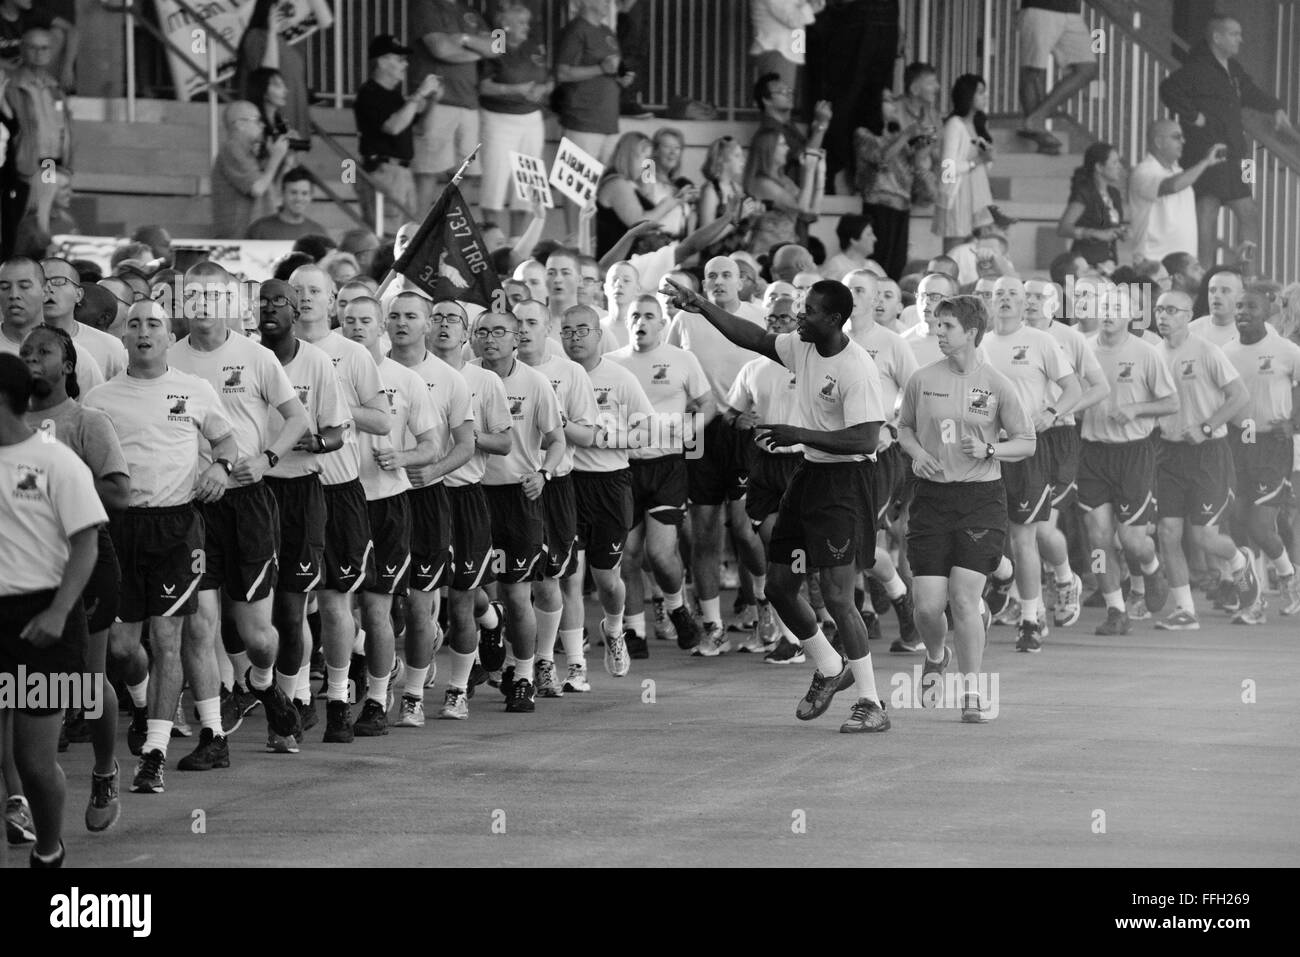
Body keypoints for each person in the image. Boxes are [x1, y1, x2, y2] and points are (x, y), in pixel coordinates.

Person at [665, 275, 891, 732]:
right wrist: (702, 306)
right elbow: (755, 337)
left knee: (836, 596)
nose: (799, 316)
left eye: (808, 310)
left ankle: (871, 702)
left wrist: (798, 433)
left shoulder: (856, 367)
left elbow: (866, 438)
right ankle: (830, 668)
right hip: (810, 475)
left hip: (846, 482)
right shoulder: (802, 345)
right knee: (779, 587)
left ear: (833, 319)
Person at [82, 301, 237, 794]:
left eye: (154, 324)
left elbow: (228, 443)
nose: (144, 332)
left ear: (169, 337)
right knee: (125, 647)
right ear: (121, 337)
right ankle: (145, 702)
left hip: (177, 527)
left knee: (169, 640)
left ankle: (154, 754)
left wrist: (220, 467)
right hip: (119, 527)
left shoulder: (195, 390)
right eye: (135, 325)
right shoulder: (100, 398)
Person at [168, 263, 311, 764]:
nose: (203, 302)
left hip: (248, 503)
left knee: (257, 637)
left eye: (214, 294)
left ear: (230, 301)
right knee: (200, 626)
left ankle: (263, 682)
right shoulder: (169, 360)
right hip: (191, 509)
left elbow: (299, 418)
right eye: (194, 293)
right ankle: (214, 737)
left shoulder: (254, 356)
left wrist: (266, 458)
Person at [896, 294, 1036, 721]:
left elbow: (1026, 442)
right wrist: (917, 452)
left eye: (947, 327)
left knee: (962, 599)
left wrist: (991, 447)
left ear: (972, 332)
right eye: (936, 325)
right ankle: (937, 656)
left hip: (980, 499)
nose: (938, 333)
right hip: (932, 498)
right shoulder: (922, 378)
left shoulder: (995, 383)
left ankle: (973, 691)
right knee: (926, 606)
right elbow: (903, 428)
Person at [0, 351, 105, 867]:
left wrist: (60, 612)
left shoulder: (55, 461)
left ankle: (48, 849)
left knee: (34, 760)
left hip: (44, 619)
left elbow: (86, 543)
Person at [19, 326, 126, 836]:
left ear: (68, 365)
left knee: (86, 680)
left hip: (85, 553)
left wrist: (63, 478)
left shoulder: (87, 421)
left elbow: (120, 494)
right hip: (22, 561)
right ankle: (18, 797)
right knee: (13, 682)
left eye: (44, 351)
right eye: (25, 352)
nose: (32, 359)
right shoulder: (9, 424)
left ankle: (105, 772)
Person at [253, 279, 349, 752]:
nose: (271, 309)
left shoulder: (317, 362)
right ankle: (258, 687)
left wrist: (315, 440)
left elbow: (337, 431)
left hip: (303, 493)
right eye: (264, 301)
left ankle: (283, 711)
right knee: (247, 613)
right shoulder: (248, 357)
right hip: (252, 492)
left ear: (297, 313)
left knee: (290, 612)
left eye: (281, 303)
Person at [981, 276, 1085, 652]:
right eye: (999, 294)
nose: (1006, 299)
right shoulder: (981, 343)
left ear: (1025, 303)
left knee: (1025, 535)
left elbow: (1074, 389)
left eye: (1013, 294)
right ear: (990, 302)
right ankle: (1002, 584)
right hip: (988, 450)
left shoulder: (1042, 341)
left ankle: (1029, 620)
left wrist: (1052, 412)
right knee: (987, 534)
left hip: (1028, 449)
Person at [385, 291, 475, 726]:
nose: (402, 323)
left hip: (426, 499)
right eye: (395, 316)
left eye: (411, 316)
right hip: (376, 499)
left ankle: (414, 695)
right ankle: (375, 679)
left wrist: (434, 468)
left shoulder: (450, 378)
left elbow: (467, 445)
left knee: (420, 605)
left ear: (427, 325)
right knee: (376, 605)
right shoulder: (369, 371)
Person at [669, 256, 767, 650]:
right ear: (704, 283)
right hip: (702, 432)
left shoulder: (757, 316)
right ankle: (711, 624)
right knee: (704, 530)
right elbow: (672, 369)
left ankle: (765, 610)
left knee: (745, 529)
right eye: (712, 276)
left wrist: (758, 413)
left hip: (745, 432)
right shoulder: (685, 321)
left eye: (726, 275)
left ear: (741, 281)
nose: (719, 281)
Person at [472, 306, 566, 713]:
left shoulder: (536, 383)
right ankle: (489, 624)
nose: (490, 338)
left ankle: (522, 677)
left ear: (516, 339)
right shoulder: (464, 377)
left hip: (517, 497)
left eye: (500, 332)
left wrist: (543, 473)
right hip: (469, 494)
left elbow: (557, 440)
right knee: (463, 587)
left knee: (517, 594)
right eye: (483, 331)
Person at [607, 294, 710, 652]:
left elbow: (706, 404)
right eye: (636, 315)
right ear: (628, 320)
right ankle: (634, 631)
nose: (642, 321)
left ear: (663, 323)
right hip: (623, 468)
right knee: (628, 554)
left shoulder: (682, 359)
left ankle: (677, 606)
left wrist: (691, 429)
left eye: (650, 315)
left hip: (667, 466)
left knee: (661, 553)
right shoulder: (612, 363)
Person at [515, 299, 607, 690]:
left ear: (546, 328)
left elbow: (588, 435)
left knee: (559, 578)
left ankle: (570, 663)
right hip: (506, 487)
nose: (522, 329)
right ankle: (515, 664)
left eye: (531, 322)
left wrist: (555, 422)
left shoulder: (567, 372)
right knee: (513, 583)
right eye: (515, 322)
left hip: (555, 484)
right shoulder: (487, 370)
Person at [1077, 285, 1178, 636]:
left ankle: (1151, 567)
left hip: (1134, 452)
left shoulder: (1146, 353)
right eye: (1104, 305)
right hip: (1092, 452)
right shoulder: (1083, 350)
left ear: (1132, 314)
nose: (1108, 312)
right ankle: (1115, 609)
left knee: (1132, 540)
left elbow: (1171, 403)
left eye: (1117, 306)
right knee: (1099, 537)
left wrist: (1135, 409)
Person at [427, 300, 512, 717]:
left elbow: (504, 442)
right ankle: (491, 617)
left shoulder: (483, 380)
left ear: (466, 336)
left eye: (454, 320)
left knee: (459, 598)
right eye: (437, 317)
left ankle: (457, 689)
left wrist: (466, 437)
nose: (444, 325)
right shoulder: (403, 373)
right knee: (412, 597)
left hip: (463, 496)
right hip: (416, 496)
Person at [1150, 288, 1253, 631]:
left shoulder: (1207, 351)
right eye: (1159, 309)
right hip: (1168, 452)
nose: (1163, 316)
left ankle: (1240, 561)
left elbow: (1239, 396)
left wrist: (1207, 427)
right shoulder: (1153, 354)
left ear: (1188, 315)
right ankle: (1184, 610)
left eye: (1171, 310)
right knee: (1167, 533)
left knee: (1204, 537)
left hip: (1208, 453)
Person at [562, 302, 655, 675]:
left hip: (611, 485)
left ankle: (615, 628)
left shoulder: (620, 377)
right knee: (571, 576)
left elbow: (649, 431)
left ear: (599, 335)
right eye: (567, 331)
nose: (575, 338)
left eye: (583, 330)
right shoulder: (554, 376)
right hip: (567, 485)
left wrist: (602, 438)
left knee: (607, 580)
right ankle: (574, 664)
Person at [1159, 15, 1295, 267]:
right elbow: (1168, 89)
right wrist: (1193, 117)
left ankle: (1247, 275)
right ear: (1217, 37)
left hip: (1235, 155)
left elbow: (1251, 93)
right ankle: (1205, 279)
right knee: (1207, 215)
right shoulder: (1196, 67)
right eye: (1234, 34)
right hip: (1206, 153)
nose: (1240, 39)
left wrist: (1275, 107)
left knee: (1249, 211)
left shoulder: (1233, 68)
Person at [1223, 283, 1300, 622]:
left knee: (1259, 522)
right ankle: (1253, 598)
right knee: (1237, 520)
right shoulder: (1225, 352)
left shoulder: (1286, 350)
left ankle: (1287, 576)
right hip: (1239, 440)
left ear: (1268, 310)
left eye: (1250, 307)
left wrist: (1295, 422)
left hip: (1272, 444)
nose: (1242, 313)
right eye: (1238, 307)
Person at [409, 0, 497, 211]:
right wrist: (477, 51)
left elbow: (497, 47)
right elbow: (440, 49)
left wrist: (464, 39)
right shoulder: (427, 6)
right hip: (437, 100)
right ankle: (419, 232)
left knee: (468, 172)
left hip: (469, 102)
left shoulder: (470, 12)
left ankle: (447, 228)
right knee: (427, 171)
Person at [555, 0, 631, 236]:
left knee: (598, 188)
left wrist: (620, 77)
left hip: (608, 121)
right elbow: (562, 72)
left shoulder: (607, 31)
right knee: (574, 185)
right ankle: (574, 240)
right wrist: (601, 69)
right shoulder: (576, 29)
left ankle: (591, 241)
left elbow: (610, 68)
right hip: (583, 118)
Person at [353, 35, 439, 238]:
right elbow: (393, 127)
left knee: (405, 237)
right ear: (382, 62)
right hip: (384, 171)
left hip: (402, 172)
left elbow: (422, 129)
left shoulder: (396, 96)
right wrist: (418, 95)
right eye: (399, 59)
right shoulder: (369, 92)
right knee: (388, 236)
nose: (405, 64)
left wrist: (433, 100)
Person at [478, 0, 551, 236]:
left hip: (531, 118)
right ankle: (493, 237)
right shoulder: (495, 43)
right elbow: (483, 86)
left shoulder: (534, 46)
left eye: (527, 22)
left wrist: (544, 88)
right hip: (499, 118)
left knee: (527, 180)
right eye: (520, 22)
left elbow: (549, 78)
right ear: (505, 24)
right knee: (495, 180)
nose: (526, 27)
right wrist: (514, 89)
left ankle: (517, 239)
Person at [853, 88, 935, 280]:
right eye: (887, 101)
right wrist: (906, 135)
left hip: (902, 209)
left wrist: (922, 149)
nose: (892, 105)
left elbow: (912, 171)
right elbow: (880, 158)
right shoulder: (863, 134)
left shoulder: (896, 138)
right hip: (878, 208)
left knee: (896, 267)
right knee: (878, 265)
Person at [3, 26, 71, 242]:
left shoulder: (54, 88)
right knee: (18, 214)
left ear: (51, 52)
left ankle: (37, 250)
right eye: (33, 48)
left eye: (44, 48)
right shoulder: (12, 85)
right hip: (22, 159)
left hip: (49, 160)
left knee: (42, 209)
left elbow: (63, 125)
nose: (39, 53)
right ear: (22, 49)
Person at [1128, 119, 1225, 267]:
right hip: (1152, 263)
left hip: (1183, 264)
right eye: (1176, 137)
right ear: (1159, 142)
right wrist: (1205, 162)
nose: (1183, 141)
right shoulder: (1143, 171)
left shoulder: (1179, 171)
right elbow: (1171, 186)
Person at [0, 258, 102, 394]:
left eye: (24, 286)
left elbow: (91, 411)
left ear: (45, 291)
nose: (14, 295)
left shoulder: (72, 356)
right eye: (4, 287)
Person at [1015, 0, 1099, 155]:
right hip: (1039, 7)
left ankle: (1037, 118)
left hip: (1070, 10)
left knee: (1088, 69)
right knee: (1033, 71)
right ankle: (1038, 131)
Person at [596, 132, 697, 259]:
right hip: (616, 262)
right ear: (630, 156)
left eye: (677, 148)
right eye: (644, 158)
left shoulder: (627, 182)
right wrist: (668, 204)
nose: (647, 164)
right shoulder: (619, 183)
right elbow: (638, 223)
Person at [235, 0, 314, 151]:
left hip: (290, 117)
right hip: (270, 121)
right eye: (278, 10)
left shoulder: (281, 41)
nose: (284, 14)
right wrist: (272, 32)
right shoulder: (255, 37)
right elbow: (267, 74)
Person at [211, 101, 291, 239]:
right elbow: (257, 189)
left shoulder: (250, 154)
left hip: (255, 237)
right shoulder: (232, 148)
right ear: (240, 124)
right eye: (257, 120)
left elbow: (274, 198)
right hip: (239, 240)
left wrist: (284, 164)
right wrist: (276, 158)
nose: (263, 125)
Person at [933, 74, 996, 252]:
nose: (985, 97)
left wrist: (987, 158)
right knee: (955, 251)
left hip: (977, 195)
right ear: (967, 95)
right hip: (959, 195)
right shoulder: (954, 124)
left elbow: (983, 166)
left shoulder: (977, 125)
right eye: (980, 92)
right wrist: (976, 161)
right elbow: (947, 168)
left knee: (973, 252)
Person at [40, 257, 126, 381]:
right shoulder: (11, 338)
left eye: (58, 281)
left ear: (78, 295)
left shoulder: (110, 347)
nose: (48, 288)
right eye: (41, 282)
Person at [745, 128, 821, 244]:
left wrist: (819, 173)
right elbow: (801, 208)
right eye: (782, 144)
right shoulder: (761, 183)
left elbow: (810, 212)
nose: (787, 148)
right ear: (769, 150)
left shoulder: (785, 181)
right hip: (766, 252)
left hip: (786, 247)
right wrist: (808, 171)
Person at [753, 72, 830, 187]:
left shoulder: (786, 124)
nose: (789, 94)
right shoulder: (771, 129)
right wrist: (821, 125)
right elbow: (806, 157)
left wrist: (819, 126)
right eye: (782, 91)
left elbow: (808, 150)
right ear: (766, 100)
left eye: (789, 90)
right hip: (783, 191)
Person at [1057, 142, 1127, 267]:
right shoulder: (1085, 193)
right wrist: (1094, 233)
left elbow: (1111, 224)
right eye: (1115, 162)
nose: (1120, 167)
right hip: (1086, 264)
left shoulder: (1114, 193)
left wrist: (1121, 232)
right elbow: (1064, 228)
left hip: (1109, 263)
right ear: (1099, 167)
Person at [749, 0, 821, 90]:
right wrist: (811, 7)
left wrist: (811, 6)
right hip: (778, 52)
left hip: (790, 53)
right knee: (780, 98)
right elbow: (793, 19)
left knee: (786, 97)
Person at [244, 168, 327, 241]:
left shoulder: (319, 232)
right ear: (282, 193)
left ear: (311, 196)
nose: (299, 198)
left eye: (304, 193)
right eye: (293, 192)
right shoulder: (259, 229)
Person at [650, 127, 692, 239]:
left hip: (675, 247)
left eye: (677, 148)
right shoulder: (647, 179)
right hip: (653, 247)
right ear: (655, 150)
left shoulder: (677, 185)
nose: (673, 152)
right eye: (667, 147)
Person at [1189, 265, 1243, 349]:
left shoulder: (1256, 331)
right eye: (1212, 290)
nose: (1216, 295)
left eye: (1225, 291)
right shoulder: (1190, 332)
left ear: (1240, 295)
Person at [821, 214, 880, 283]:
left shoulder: (873, 265)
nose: (874, 239)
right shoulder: (837, 265)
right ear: (853, 240)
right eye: (869, 234)